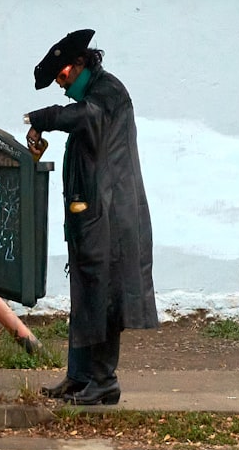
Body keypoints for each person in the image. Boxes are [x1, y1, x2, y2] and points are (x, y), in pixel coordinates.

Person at [25, 28, 157, 405]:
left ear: (81, 64)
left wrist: (43, 117)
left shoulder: (107, 93)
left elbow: (85, 117)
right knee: (85, 295)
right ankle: (79, 375)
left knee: (104, 296)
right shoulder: (96, 93)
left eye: (63, 77)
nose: (63, 88)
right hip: (92, 216)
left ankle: (103, 380)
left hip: (111, 216)